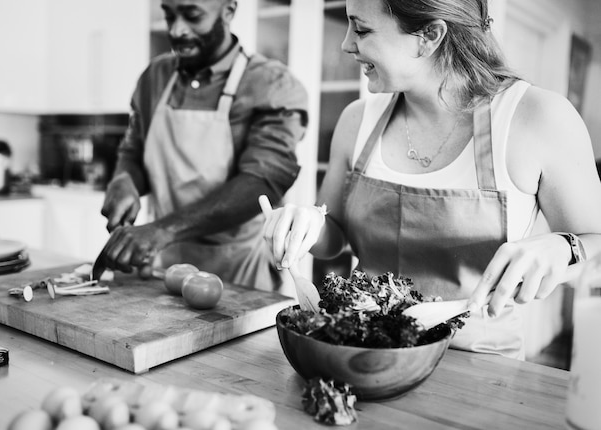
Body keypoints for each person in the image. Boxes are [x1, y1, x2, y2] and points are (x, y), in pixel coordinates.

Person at [261, 0, 601, 359]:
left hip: (479, 368)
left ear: (429, 36)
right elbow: (335, 240)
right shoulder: (356, 120)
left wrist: (565, 247)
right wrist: (308, 224)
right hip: (368, 354)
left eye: (361, 29)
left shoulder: (538, 117)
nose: (346, 44)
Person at [99, 0, 308, 292]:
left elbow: (263, 181)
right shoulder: (155, 77)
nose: (177, 30)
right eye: (169, 15)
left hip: (240, 276)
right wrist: (125, 179)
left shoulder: (271, 84)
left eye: (192, 15)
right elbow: (134, 149)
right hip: (164, 271)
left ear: (229, 10)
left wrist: (162, 230)